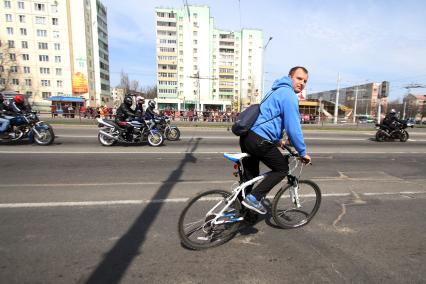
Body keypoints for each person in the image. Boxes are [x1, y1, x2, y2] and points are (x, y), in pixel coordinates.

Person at [239, 66, 312, 214]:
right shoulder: (289, 95)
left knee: (250, 179)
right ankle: (253, 199)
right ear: (290, 77)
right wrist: (302, 152)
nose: (302, 83)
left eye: (305, 81)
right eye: (299, 78)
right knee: (281, 169)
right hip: (260, 140)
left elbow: (269, 118)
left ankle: (242, 212)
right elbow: (293, 128)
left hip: (248, 137)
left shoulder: (275, 91)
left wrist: (278, 140)